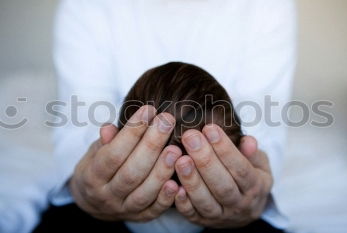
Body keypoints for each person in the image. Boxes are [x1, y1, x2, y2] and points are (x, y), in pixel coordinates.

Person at [36, 0, 297, 232]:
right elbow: (79, 131)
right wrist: (87, 187)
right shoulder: (87, 6)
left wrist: (252, 193)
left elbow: (261, 138)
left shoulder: (267, 6)